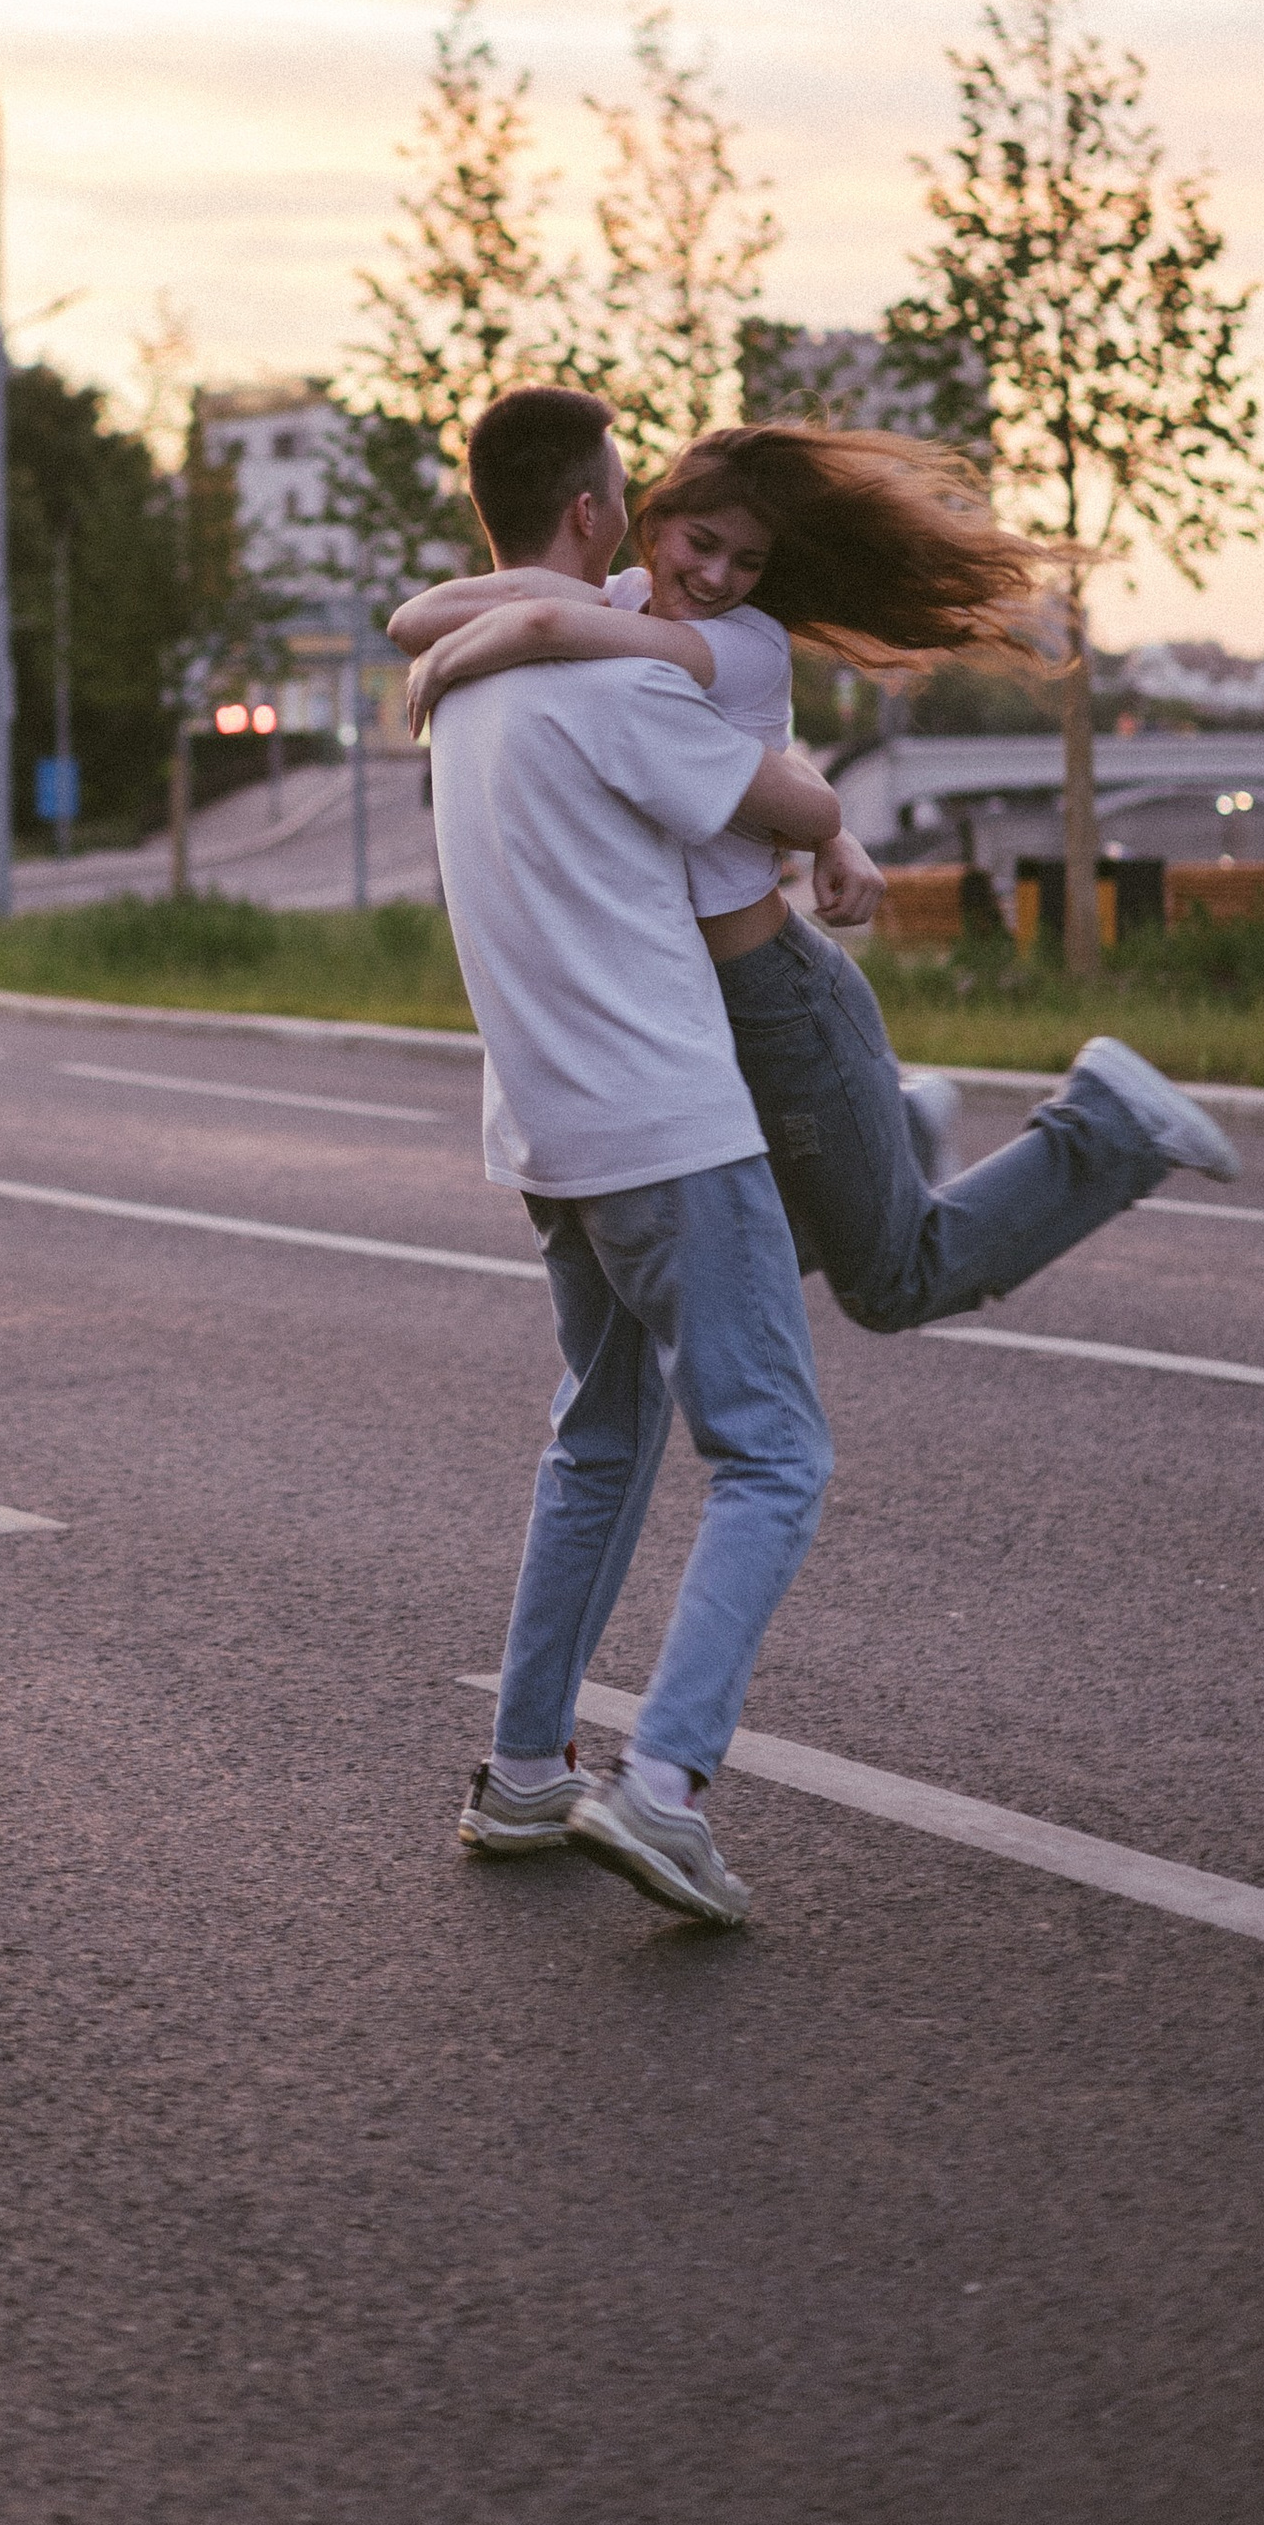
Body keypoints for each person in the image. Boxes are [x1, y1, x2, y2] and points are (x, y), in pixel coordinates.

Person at [393, 412, 1235, 1342]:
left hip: (778, 1000)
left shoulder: (738, 640)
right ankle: (903, 1132)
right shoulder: (627, 602)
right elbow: (413, 616)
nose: (716, 576)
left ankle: (1110, 1127)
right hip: (689, 1009)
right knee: (716, 1255)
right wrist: (479, 637)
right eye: (702, 544)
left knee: (891, 1285)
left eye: (746, 561)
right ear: (652, 522)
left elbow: (539, 620)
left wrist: (469, 651)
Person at [423, 386, 852, 1926]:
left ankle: (526, 1771)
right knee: (776, 1453)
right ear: (599, 515)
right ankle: (664, 1787)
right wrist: (842, 827)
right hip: (665, 1119)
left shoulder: (461, 690)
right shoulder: (619, 689)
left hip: (549, 1137)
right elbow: (793, 802)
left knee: (602, 1439)